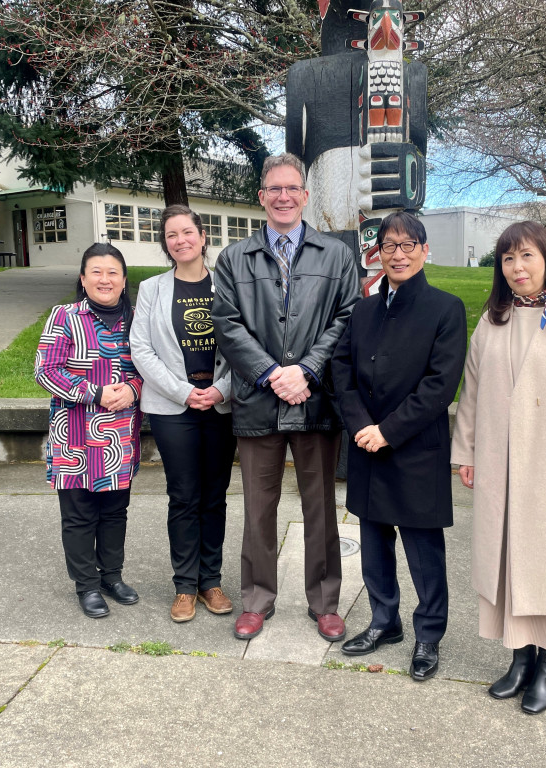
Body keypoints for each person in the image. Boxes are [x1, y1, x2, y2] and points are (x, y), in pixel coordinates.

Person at [451, 220, 546, 714]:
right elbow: (470, 394)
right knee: (505, 560)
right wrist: (466, 451)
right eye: (508, 259)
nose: (517, 268)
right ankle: (519, 660)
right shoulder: (492, 320)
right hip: (498, 463)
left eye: (527, 257)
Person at [213, 152, 360, 642]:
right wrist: (273, 374)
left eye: (291, 188)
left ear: (305, 195)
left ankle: (325, 601)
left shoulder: (336, 255)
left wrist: (308, 371)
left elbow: (346, 317)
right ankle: (257, 598)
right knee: (258, 507)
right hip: (258, 401)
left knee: (320, 506)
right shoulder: (235, 258)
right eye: (273, 189)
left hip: (316, 403)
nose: (282, 197)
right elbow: (227, 325)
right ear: (262, 196)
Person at [331, 212, 467, 682]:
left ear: (425, 251)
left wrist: (388, 430)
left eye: (409, 245)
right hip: (368, 445)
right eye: (390, 246)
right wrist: (361, 426)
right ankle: (383, 621)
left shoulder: (446, 309)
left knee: (423, 551)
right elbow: (341, 372)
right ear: (379, 253)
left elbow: (439, 386)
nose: (399, 254)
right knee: (373, 544)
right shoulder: (364, 309)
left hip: (414, 447)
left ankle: (428, 635)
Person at [130, 205, 236, 623]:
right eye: (171, 235)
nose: (180, 240)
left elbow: (243, 343)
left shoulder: (227, 286)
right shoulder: (152, 289)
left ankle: (211, 581)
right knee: (183, 496)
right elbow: (141, 348)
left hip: (221, 406)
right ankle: (184, 586)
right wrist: (184, 392)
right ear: (165, 243)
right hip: (173, 409)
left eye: (186, 232)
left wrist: (219, 390)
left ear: (202, 235)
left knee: (215, 497)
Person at [35, 243, 143, 619]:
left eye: (113, 272)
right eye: (96, 271)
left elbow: (149, 368)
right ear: (83, 279)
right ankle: (87, 585)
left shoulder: (136, 318)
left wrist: (133, 389)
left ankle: (111, 576)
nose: (104, 279)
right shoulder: (64, 316)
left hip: (119, 438)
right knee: (80, 514)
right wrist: (94, 392)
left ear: (124, 280)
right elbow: (46, 371)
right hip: (76, 436)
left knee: (115, 512)